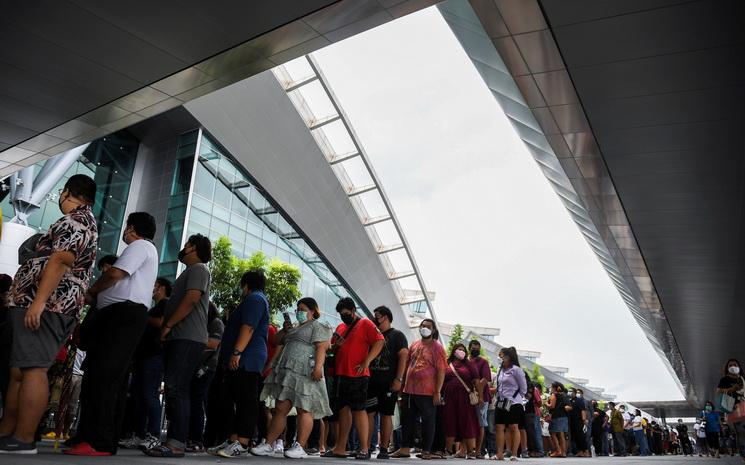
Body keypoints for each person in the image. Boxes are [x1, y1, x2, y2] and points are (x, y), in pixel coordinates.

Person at [0, 175, 98, 455]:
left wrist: (38, 303)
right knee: (22, 370)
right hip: (46, 303)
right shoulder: (83, 221)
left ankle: (24, 438)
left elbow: (61, 260)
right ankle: (9, 432)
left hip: (49, 305)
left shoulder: (76, 221)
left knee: (33, 369)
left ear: (68, 193)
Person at [65, 212, 158, 456]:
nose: (125, 232)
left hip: (124, 316)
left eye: (127, 227)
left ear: (132, 228)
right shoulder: (144, 248)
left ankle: (100, 441)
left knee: (106, 376)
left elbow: (115, 274)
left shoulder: (141, 245)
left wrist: (92, 292)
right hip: (115, 316)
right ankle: (88, 435)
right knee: (96, 375)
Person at [143, 234, 212, 458]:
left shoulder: (199, 269)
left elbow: (191, 299)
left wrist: (168, 325)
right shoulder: (190, 272)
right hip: (180, 337)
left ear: (194, 248)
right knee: (174, 388)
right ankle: (174, 440)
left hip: (187, 338)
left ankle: (176, 443)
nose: (183, 249)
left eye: (187, 246)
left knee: (177, 388)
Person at [251, 297, 332, 458]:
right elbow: (276, 340)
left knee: (304, 408)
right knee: (281, 408)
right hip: (288, 371)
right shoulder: (294, 327)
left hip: (305, 371)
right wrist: (284, 330)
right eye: (297, 309)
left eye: (302, 309)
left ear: (312, 310)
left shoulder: (318, 326)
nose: (299, 312)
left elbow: (321, 348)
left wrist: (317, 368)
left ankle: (300, 446)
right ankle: (268, 444)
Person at [202, 271, 267, 458]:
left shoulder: (255, 299)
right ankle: (233, 440)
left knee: (246, 400)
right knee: (232, 398)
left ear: (246, 284)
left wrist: (237, 352)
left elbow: (249, 327)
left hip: (247, 357)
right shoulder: (255, 299)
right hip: (242, 357)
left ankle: (243, 442)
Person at [326, 297, 383, 460]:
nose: (343, 316)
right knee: (343, 409)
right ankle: (340, 447)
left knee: (359, 409)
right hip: (340, 374)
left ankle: (364, 449)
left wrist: (367, 361)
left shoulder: (365, 323)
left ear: (352, 310)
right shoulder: (341, 326)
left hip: (358, 375)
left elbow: (379, 341)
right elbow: (331, 350)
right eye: (341, 314)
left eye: (345, 313)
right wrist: (336, 345)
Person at [121, 277, 171, 450]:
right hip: (142, 356)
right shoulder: (154, 307)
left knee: (149, 395)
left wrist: (143, 315)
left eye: (155, 285)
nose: (152, 288)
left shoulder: (165, 303)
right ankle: (138, 434)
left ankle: (153, 435)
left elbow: (161, 322)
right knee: (139, 396)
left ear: (162, 288)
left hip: (154, 356)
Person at [392, 318, 446, 460]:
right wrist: (402, 385)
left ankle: (426, 451)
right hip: (409, 390)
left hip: (428, 392)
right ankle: (404, 449)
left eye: (428, 326)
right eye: (422, 325)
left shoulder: (438, 348)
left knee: (428, 421)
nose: (424, 328)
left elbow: (441, 371)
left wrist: (437, 392)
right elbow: (407, 365)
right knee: (407, 420)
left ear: (433, 330)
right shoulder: (414, 344)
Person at [364, 306, 408, 459]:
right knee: (369, 414)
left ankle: (383, 448)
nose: (375, 318)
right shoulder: (372, 335)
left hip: (388, 382)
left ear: (386, 317)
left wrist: (399, 379)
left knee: (386, 414)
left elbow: (403, 356)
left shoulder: (398, 335)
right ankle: (366, 447)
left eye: (378, 315)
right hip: (371, 381)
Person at [186, 302, 224, 452]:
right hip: (194, 365)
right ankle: (190, 436)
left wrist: (192, 340)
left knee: (196, 401)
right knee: (191, 400)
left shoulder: (216, 323)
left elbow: (213, 344)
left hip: (206, 367)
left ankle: (196, 439)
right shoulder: (203, 323)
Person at [441, 342, 480, 458]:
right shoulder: (447, 363)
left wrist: (481, 396)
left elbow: (476, 380)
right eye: (458, 349)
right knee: (450, 422)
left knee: (468, 422)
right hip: (449, 398)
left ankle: (471, 451)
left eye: (463, 350)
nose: (461, 351)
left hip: (465, 398)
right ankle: (448, 450)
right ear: (453, 351)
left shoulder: (469, 364)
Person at [493, 346, 527, 461]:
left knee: (513, 427)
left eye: (501, 355)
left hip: (514, 402)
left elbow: (523, 389)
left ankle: (514, 454)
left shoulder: (517, 370)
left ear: (508, 357)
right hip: (501, 401)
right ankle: (499, 453)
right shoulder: (499, 370)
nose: (500, 357)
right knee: (499, 427)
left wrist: (514, 397)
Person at [467, 340, 491, 459]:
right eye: (473, 347)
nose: (475, 349)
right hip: (467, 397)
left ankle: (478, 451)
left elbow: (485, 379)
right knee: (468, 423)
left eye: (477, 347)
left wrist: (478, 391)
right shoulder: (465, 361)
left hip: (482, 398)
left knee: (481, 424)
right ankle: (466, 450)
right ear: (469, 348)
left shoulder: (483, 362)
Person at [546, 382, 569, 458]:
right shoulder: (564, 395)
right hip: (564, 417)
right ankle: (563, 452)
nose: (550, 388)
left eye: (551, 387)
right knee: (561, 434)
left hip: (556, 417)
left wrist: (545, 403)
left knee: (552, 433)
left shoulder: (553, 395)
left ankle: (558, 451)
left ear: (555, 388)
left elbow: (552, 406)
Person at [567, 388, 589, 457]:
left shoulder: (579, 400)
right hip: (571, 421)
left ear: (574, 392)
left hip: (578, 421)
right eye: (569, 391)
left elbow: (583, 410)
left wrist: (584, 420)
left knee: (580, 436)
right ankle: (580, 451)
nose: (569, 392)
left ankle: (586, 451)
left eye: (571, 391)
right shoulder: (569, 400)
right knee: (575, 437)